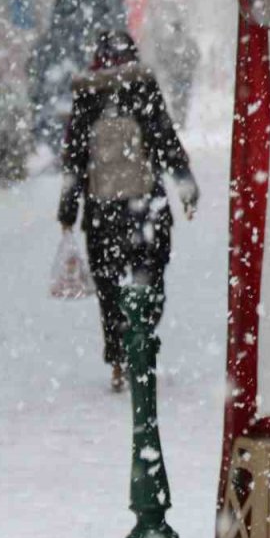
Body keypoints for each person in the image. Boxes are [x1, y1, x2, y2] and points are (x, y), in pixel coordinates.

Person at [57, 30, 198, 391]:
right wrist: (186, 187)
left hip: (102, 215)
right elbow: (166, 140)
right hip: (146, 210)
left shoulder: (87, 95)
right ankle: (142, 343)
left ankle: (119, 359)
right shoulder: (143, 88)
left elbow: (74, 158)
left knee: (110, 292)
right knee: (150, 281)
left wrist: (68, 211)